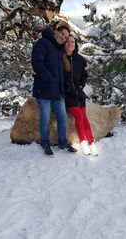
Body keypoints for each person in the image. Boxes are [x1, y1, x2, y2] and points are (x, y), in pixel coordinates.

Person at [31, 25, 77, 156]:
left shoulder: (58, 49)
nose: (64, 38)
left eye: (66, 37)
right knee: (45, 118)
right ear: (56, 32)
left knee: (62, 118)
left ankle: (63, 142)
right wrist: (50, 78)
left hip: (57, 92)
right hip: (44, 90)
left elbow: (70, 56)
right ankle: (45, 142)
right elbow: (37, 64)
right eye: (62, 34)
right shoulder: (43, 43)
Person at [63, 35, 98, 156]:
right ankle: (83, 142)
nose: (70, 44)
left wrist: (82, 85)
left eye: (72, 42)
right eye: (67, 42)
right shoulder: (60, 58)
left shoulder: (80, 59)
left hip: (79, 94)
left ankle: (91, 143)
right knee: (78, 115)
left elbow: (85, 74)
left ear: (75, 44)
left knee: (84, 117)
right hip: (67, 94)